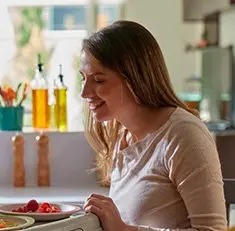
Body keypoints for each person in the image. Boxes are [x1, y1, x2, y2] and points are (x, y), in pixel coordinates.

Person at [80, 20, 227, 230]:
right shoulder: (122, 137)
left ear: (135, 78)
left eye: (99, 80)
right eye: (83, 78)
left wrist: (123, 230)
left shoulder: (184, 135)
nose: (84, 93)